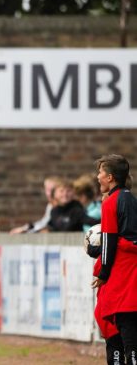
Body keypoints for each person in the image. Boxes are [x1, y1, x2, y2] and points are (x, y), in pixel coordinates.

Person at [93, 154, 137, 364]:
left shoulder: (111, 203)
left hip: (121, 272)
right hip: (133, 268)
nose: (97, 176)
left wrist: (103, 272)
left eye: (100, 172)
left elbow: (109, 240)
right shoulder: (131, 199)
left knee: (121, 322)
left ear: (110, 177)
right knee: (131, 327)